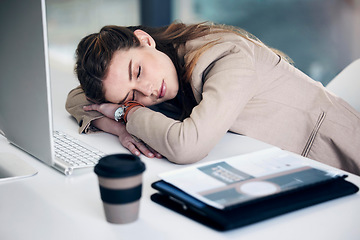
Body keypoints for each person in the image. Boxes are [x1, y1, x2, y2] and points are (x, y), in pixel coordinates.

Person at [66, 22, 360, 175]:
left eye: (138, 71)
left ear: (145, 40)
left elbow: (186, 146)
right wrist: (116, 126)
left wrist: (126, 114)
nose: (147, 91)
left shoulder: (225, 55)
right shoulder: (166, 63)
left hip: (334, 161)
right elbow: (76, 98)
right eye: (130, 96)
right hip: (274, 167)